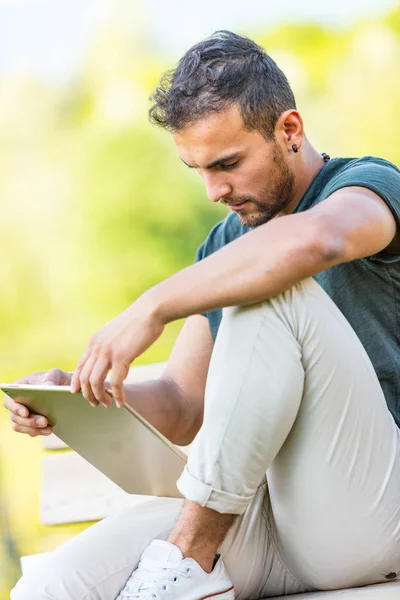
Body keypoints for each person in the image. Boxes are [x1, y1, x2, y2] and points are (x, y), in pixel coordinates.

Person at [4, 30, 400, 600]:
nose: (214, 189)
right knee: (56, 584)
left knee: (272, 289)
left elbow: (317, 242)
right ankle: (186, 565)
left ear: (289, 130)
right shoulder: (225, 243)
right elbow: (184, 405)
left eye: (228, 163)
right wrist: (78, 395)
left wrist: (151, 308)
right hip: (272, 523)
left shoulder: (366, 188)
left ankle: (190, 555)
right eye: (198, 169)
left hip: (374, 509)